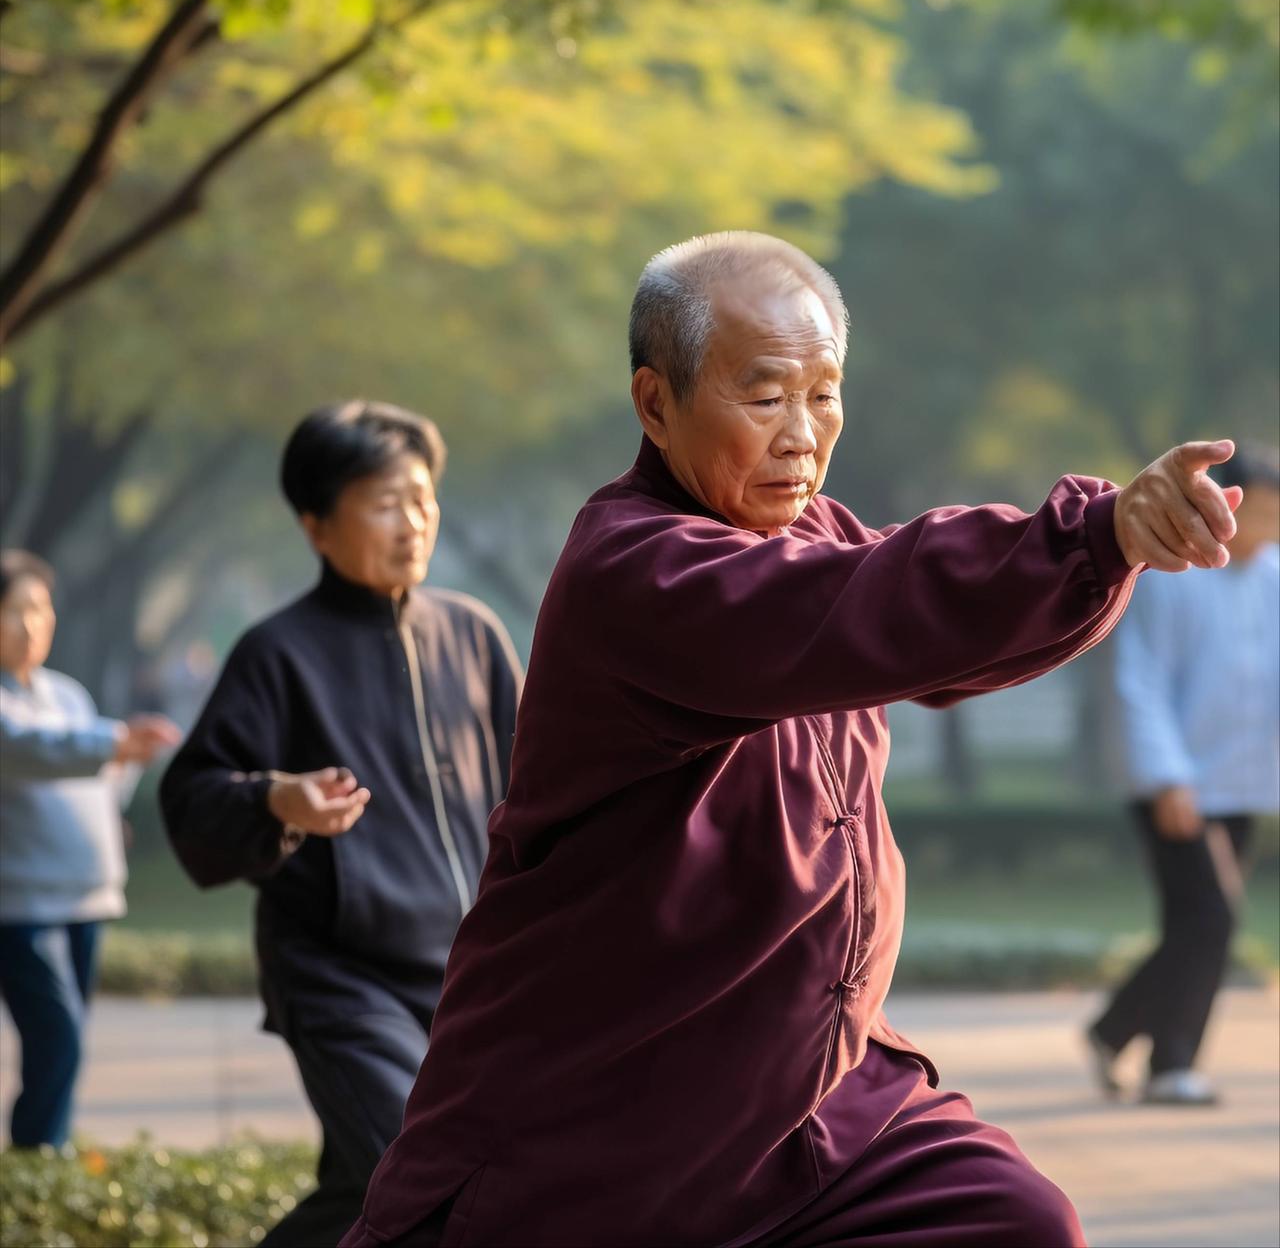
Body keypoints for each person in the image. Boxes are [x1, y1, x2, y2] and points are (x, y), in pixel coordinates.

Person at [341, 232, 1242, 1248]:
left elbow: (933, 639)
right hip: (606, 1103)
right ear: (654, 403)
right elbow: (863, 606)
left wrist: (1104, 553)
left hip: (813, 1095)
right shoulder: (633, 569)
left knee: (1012, 1222)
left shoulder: (814, 538)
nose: (801, 434)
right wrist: (1093, 531)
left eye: (823, 394)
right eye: (764, 397)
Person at [159, 402, 522, 1246]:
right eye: (385, 503)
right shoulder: (277, 653)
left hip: (467, 975)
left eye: (424, 499)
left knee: (379, 1192)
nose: (414, 523)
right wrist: (274, 801)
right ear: (317, 526)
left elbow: (537, 785)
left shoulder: (471, 635)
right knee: (417, 1177)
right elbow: (190, 798)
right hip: (338, 974)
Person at [1087, 444, 1279, 1106]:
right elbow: (1139, 681)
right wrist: (1168, 778)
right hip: (1175, 785)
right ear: (1229, 505)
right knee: (1215, 919)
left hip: (1243, 782)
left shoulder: (1276, 579)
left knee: (1197, 924)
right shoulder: (1175, 576)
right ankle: (1172, 1065)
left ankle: (1113, 1030)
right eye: (1265, 505)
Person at [0, 549, 179, 1148]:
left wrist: (126, 759)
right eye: (13, 611)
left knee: (66, 1039)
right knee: (59, 1037)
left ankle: (52, 1152)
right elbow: (34, 748)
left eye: (40, 609)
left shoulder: (67, 694)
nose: (31, 625)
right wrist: (115, 742)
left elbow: (95, 774)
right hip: (21, 905)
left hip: (86, 897)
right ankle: (39, 1163)